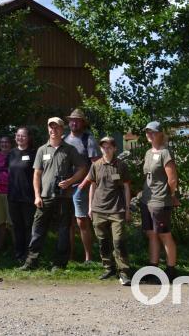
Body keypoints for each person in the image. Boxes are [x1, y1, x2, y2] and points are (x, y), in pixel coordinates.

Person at [22, 117, 88, 271]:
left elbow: (83, 169)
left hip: (63, 197)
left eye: (56, 127)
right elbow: (37, 175)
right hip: (44, 198)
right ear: (48, 129)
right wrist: (37, 196)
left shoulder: (70, 149)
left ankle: (59, 264)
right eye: (51, 127)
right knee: (37, 230)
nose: (53, 130)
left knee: (63, 231)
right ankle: (31, 262)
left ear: (62, 129)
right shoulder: (42, 150)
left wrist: (70, 181)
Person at [87, 136, 132, 286]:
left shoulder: (121, 166)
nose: (106, 149)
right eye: (103, 147)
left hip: (117, 210)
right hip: (98, 209)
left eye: (109, 147)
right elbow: (92, 186)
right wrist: (90, 207)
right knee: (103, 242)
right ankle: (108, 268)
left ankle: (124, 272)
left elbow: (126, 188)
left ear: (114, 148)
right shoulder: (95, 165)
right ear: (101, 149)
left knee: (118, 241)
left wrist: (127, 209)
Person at [141, 121, 179, 279]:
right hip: (146, 200)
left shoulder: (165, 153)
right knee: (151, 234)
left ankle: (170, 270)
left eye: (153, 132)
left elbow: (172, 179)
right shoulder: (149, 152)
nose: (150, 134)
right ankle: (153, 268)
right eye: (148, 132)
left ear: (160, 134)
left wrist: (170, 196)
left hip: (160, 201)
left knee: (164, 235)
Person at [64, 109, 99, 263]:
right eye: (72, 120)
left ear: (83, 123)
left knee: (82, 222)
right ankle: (70, 256)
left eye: (77, 120)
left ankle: (88, 258)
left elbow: (96, 165)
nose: (74, 122)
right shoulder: (64, 139)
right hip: (66, 187)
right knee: (68, 222)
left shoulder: (88, 139)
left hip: (82, 187)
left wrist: (84, 183)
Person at [7, 127, 36, 264]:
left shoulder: (33, 153)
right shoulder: (11, 153)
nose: (20, 138)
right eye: (18, 135)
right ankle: (19, 254)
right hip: (13, 196)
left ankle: (30, 255)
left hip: (29, 197)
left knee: (29, 227)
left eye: (23, 136)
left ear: (28, 137)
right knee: (17, 226)